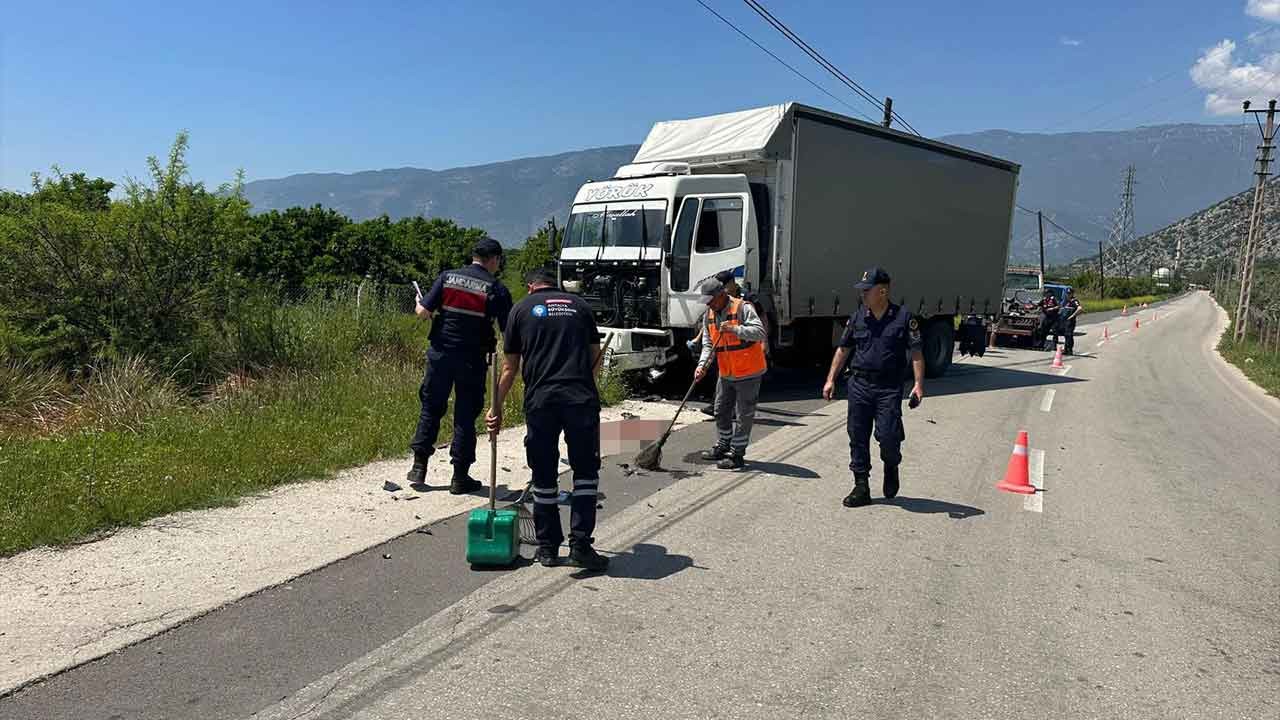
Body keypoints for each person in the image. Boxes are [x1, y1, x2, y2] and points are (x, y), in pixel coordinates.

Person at [487, 268, 608, 571]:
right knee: (585, 473)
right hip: (580, 399)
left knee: (544, 473)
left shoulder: (520, 310)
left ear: (530, 287)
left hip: (541, 401)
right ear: (554, 284)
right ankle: (580, 545)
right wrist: (584, 385)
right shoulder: (579, 306)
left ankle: (547, 549)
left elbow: (509, 368)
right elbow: (597, 358)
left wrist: (496, 408)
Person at [406, 238, 514, 494]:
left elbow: (422, 312)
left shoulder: (447, 277)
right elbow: (509, 329)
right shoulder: (496, 288)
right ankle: (459, 476)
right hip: (472, 360)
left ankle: (419, 466)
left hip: (440, 355)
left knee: (431, 407)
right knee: (465, 416)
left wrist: (419, 304)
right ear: (495, 259)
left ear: (474, 255)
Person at [822, 267, 924, 507]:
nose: (863, 295)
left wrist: (918, 384)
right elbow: (843, 349)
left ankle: (891, 464)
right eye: (862, 290)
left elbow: (917, 352)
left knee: (887, 436)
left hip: (888, 387)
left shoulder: (904, 318)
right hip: (859, 384)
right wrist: (830, 379)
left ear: (883, 291)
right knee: (857, 435)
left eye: (867, 290)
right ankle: (861, 486)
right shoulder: (858, 317)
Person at [695, 277, 768, 470]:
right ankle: (723, 444)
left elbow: (759, 332)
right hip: (726, 372)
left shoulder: (743, 307)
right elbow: (708, 344)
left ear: (721, 295)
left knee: (744, 415)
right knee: (720, 410)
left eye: (711, 300)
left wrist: (735, 329)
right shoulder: (709, 314)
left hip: (749, 371)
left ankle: (737, 454)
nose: (709, 304)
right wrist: (702, 365)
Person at [1060, 288, 1082, 355]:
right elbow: (1061, 309)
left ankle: (1069, 350)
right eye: (1067, 293)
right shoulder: (1065, 301)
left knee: (1069, 335)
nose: (1068, 295)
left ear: (1072, 294)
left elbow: (1080, 309)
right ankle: (1066, 349)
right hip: (1064, 320)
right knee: (1066, 335)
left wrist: (1072, 316)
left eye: (1070, 293)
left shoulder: (1074, 301)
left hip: (1070, 321)